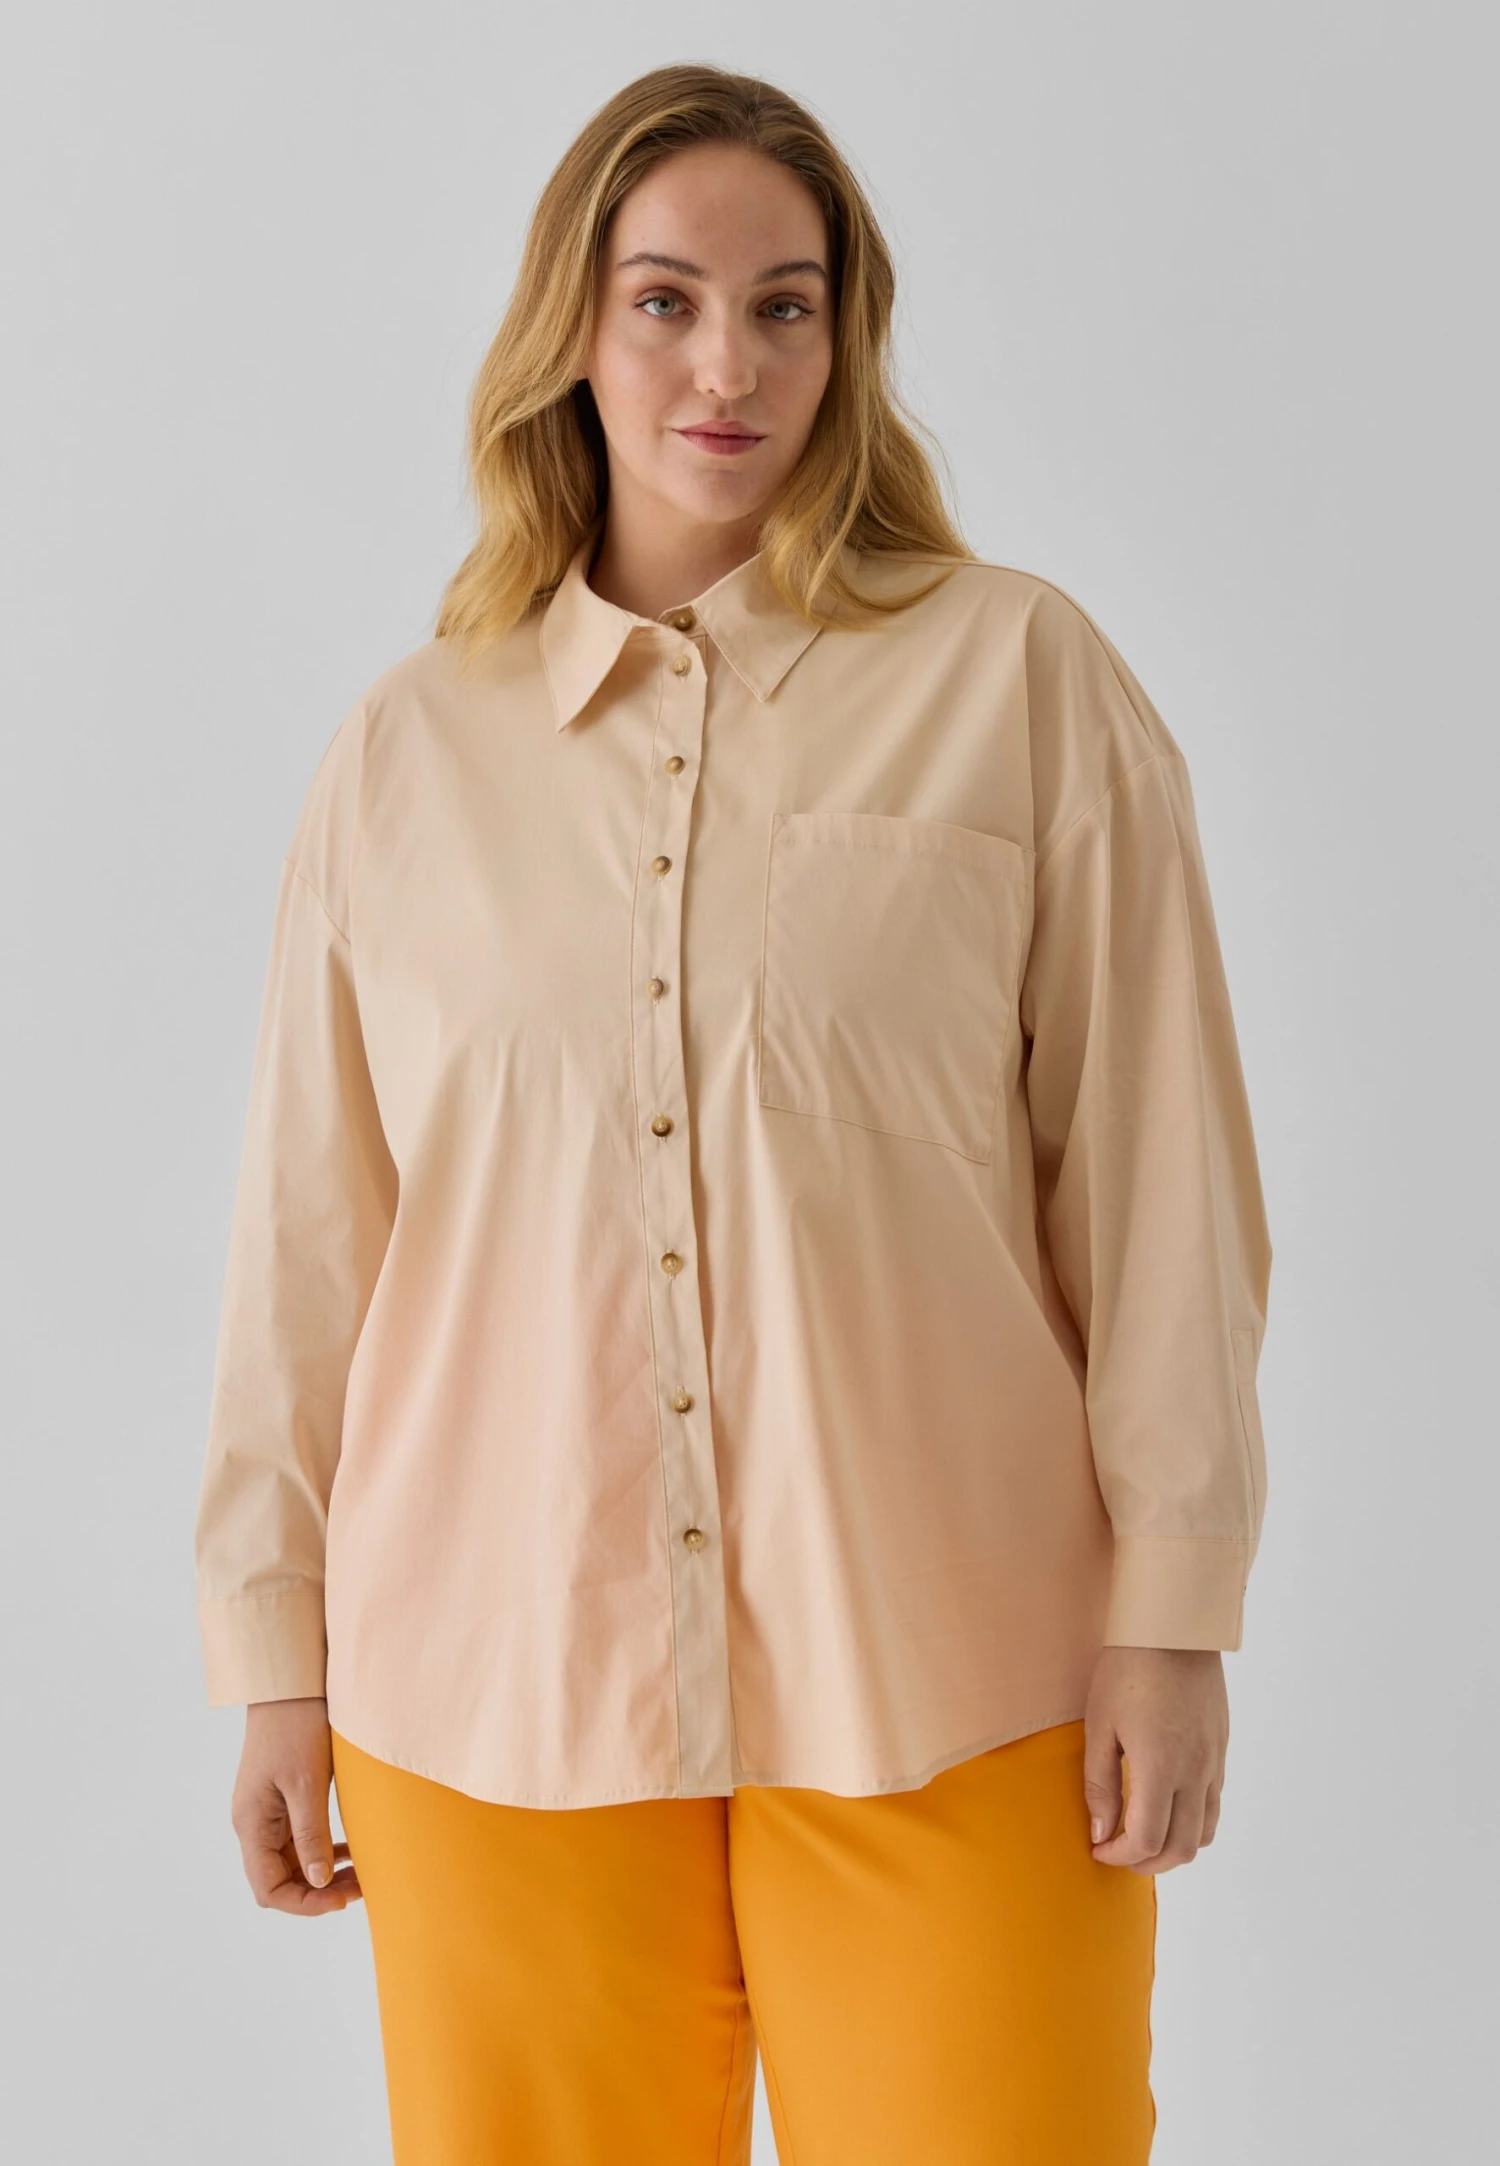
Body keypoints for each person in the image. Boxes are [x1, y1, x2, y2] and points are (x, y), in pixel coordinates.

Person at [194, 61, 1272, 2166]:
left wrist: (1175, 1609)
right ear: (571, 331)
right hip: (493, 1683)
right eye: (667, 300)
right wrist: (272, 1649)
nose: (729, 365)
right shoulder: (405, 755)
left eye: (788, 307)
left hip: (957, 1666)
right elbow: (307, 1238)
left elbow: (1162, 1188)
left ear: (847, 341)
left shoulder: (1019, 679)